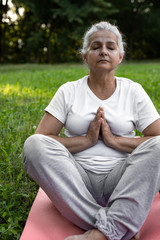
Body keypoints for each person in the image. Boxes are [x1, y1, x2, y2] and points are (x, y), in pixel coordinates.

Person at [23, 21, 160, 240]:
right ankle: (118, 226)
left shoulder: (133, 91)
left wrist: (115, 141)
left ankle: (102, 234)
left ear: (120, 56)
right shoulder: (68, 91)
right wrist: (86, 140)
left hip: (123, 179)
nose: (103, 51)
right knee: (33, 145)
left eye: (110, 47)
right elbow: (43, 137)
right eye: (96, 47)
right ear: (85, 56)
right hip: (76, 181)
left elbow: (157, 137)